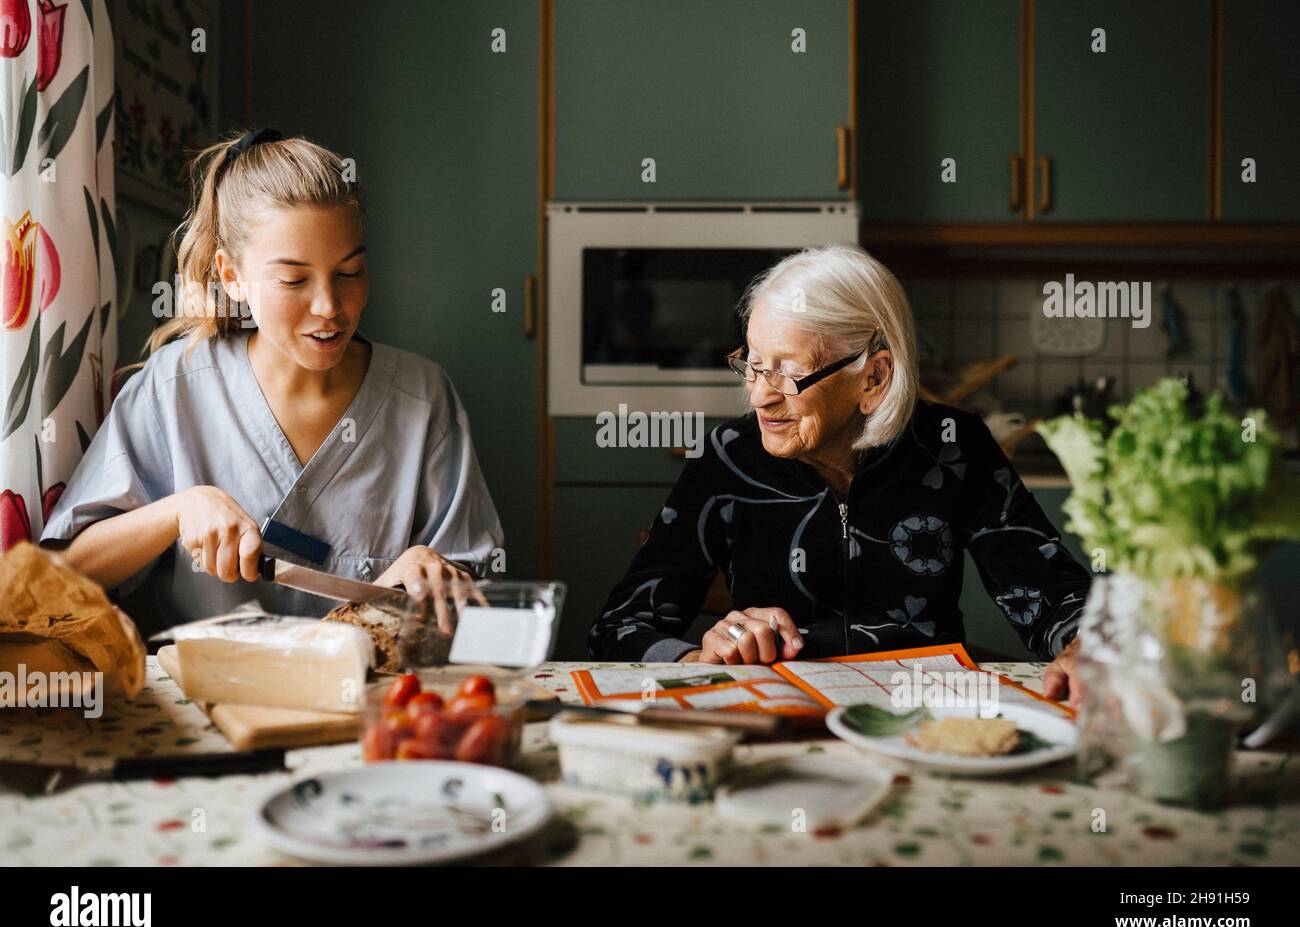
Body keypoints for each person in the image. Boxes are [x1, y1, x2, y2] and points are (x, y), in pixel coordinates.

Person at [41, 129, 501, 633]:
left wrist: (434, 571)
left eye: (350, 271)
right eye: (294, 280)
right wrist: (178, 510)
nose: (329, 306)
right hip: (203, 703)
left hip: (371, 701)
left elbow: (475, 601)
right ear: (232, 276)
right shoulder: (175, 385)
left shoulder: (423, 397)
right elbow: (61, 577)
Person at [587, 245, 1090, 706]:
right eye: (754, 364)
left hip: (919, 715)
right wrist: (698, 659)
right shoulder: (728, 457)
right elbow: (621, 626)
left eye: (789, 371)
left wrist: (1086, 645)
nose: (761, 395)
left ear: (874, 377)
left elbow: (1048, 592)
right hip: (783, 718)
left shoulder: (954, 448)